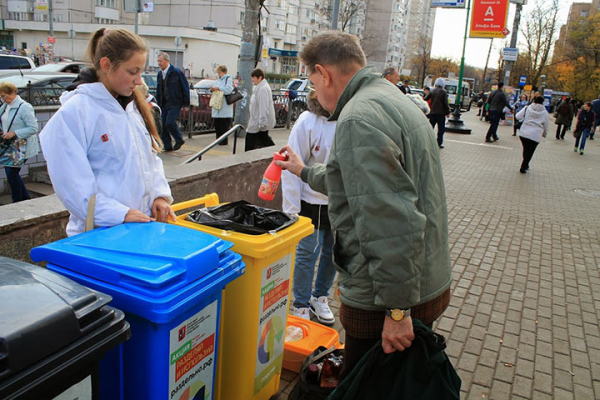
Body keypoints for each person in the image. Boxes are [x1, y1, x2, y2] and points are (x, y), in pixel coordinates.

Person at [275, 31, 452, 378]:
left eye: (313, 82)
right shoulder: (389, 97)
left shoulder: (358, 118)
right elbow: (356, 184)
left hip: (385, 299)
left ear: (324, 73)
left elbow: (390, 224)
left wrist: (398, 312)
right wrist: (304, 170)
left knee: (368, 386)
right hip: (422, 280)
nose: (315, 93)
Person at [40, 28, 176, 237]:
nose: (140, 81)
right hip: (100, 236)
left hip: (137, 229)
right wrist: (120, 214)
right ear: (106, 65)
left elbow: (149, 160)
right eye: (133, 72)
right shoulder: (74, 113)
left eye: (141, 71)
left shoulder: (132, 108)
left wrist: (159, 195)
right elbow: (73, 188)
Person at [282, 91, 337, 325]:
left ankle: (320, 296)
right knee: (307, 253)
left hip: (337, 199)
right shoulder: (307, 121)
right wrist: (292, 210)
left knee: (333, 254)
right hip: (310, 201)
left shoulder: (349, 119)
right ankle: (301, 303)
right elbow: (291, 165)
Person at [0, 82, 40, 203]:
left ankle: (18, 200)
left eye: (4, 95)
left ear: (13, 92)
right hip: (11, 145)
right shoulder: (5, 106)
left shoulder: (24, 107)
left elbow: (33, 128)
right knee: (12, 173)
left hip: (21, 146)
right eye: (1, 96)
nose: (3, 99)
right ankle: (24, 199)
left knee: (11, 172)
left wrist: (14, 133)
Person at [156, 52, 189, 151]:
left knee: (169, 122)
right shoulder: (159, 74)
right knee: (163, 125)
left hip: (175, 102)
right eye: (158, 61)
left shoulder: (176, 72)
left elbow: (185, 87)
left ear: (167, 61)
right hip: (163, 103)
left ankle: (179, 139)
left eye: (160, 61)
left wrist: (186, 103)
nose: (159, 63)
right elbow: (159, 90)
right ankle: (167, 146)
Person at [515, 95, 548, 173]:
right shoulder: (544, 112)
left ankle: (525, 164)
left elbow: (517, 116)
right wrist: (545, 133)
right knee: (530, 151)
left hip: (524, 132)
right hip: (535, 134)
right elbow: (546, 125)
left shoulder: (528, 108)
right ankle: (524, 165)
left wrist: (525, 119)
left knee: (525, 149)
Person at [245, 68, 276, 151]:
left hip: (258, 122)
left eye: (253, 78)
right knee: (264, 140)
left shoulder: (263, 89)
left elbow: (263, 106)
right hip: (257, 121)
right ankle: (274, 153)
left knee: (252, 141)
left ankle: (274, 153)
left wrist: (262, 122)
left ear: (260, 78)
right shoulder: (259, 88)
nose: (252, 80)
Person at [210, 65, 235, 146]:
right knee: (217, 125)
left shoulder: (228, 79)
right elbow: (214, 87)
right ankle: (218, 140)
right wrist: (213, 89)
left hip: (224, 106)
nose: (219, 74)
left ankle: (223, 142)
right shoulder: (218, 80)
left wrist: (219, 88)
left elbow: (228, 90)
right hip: (217, 106)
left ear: (224, 72)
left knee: (224, 125)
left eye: (220, 73)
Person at [425, 78, 450, 148]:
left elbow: (426, 98)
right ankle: (439, 142)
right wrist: (447, 112)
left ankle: (427, 140)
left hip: (433, 112)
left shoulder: (433, 91)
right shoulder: (444, 92)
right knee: (441, 129)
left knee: (430, 127)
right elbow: (445, 103)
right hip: (441, 114)